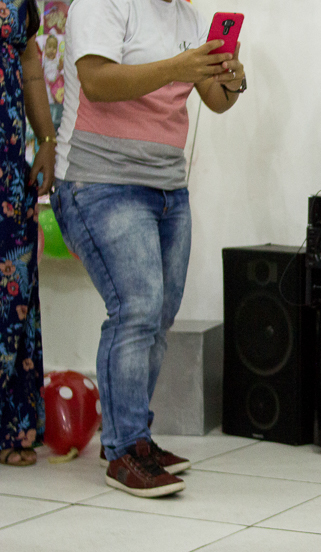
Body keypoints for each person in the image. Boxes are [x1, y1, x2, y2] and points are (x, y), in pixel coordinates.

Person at [49, 0, 246, 497]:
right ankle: (123, 449)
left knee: (158, 315)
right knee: (135, 309)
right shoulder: (103, 3)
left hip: (165, 187)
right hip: (98, 183)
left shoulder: (186, 15)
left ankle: (131, 437)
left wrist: (230, 77)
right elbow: (97, 81)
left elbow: (215, 101)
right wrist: (178, 66)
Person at [0, 0, 56, 466]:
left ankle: (11, 425)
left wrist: (47, 140)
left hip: (8, 167)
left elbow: (29, 57)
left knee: (12, 287)